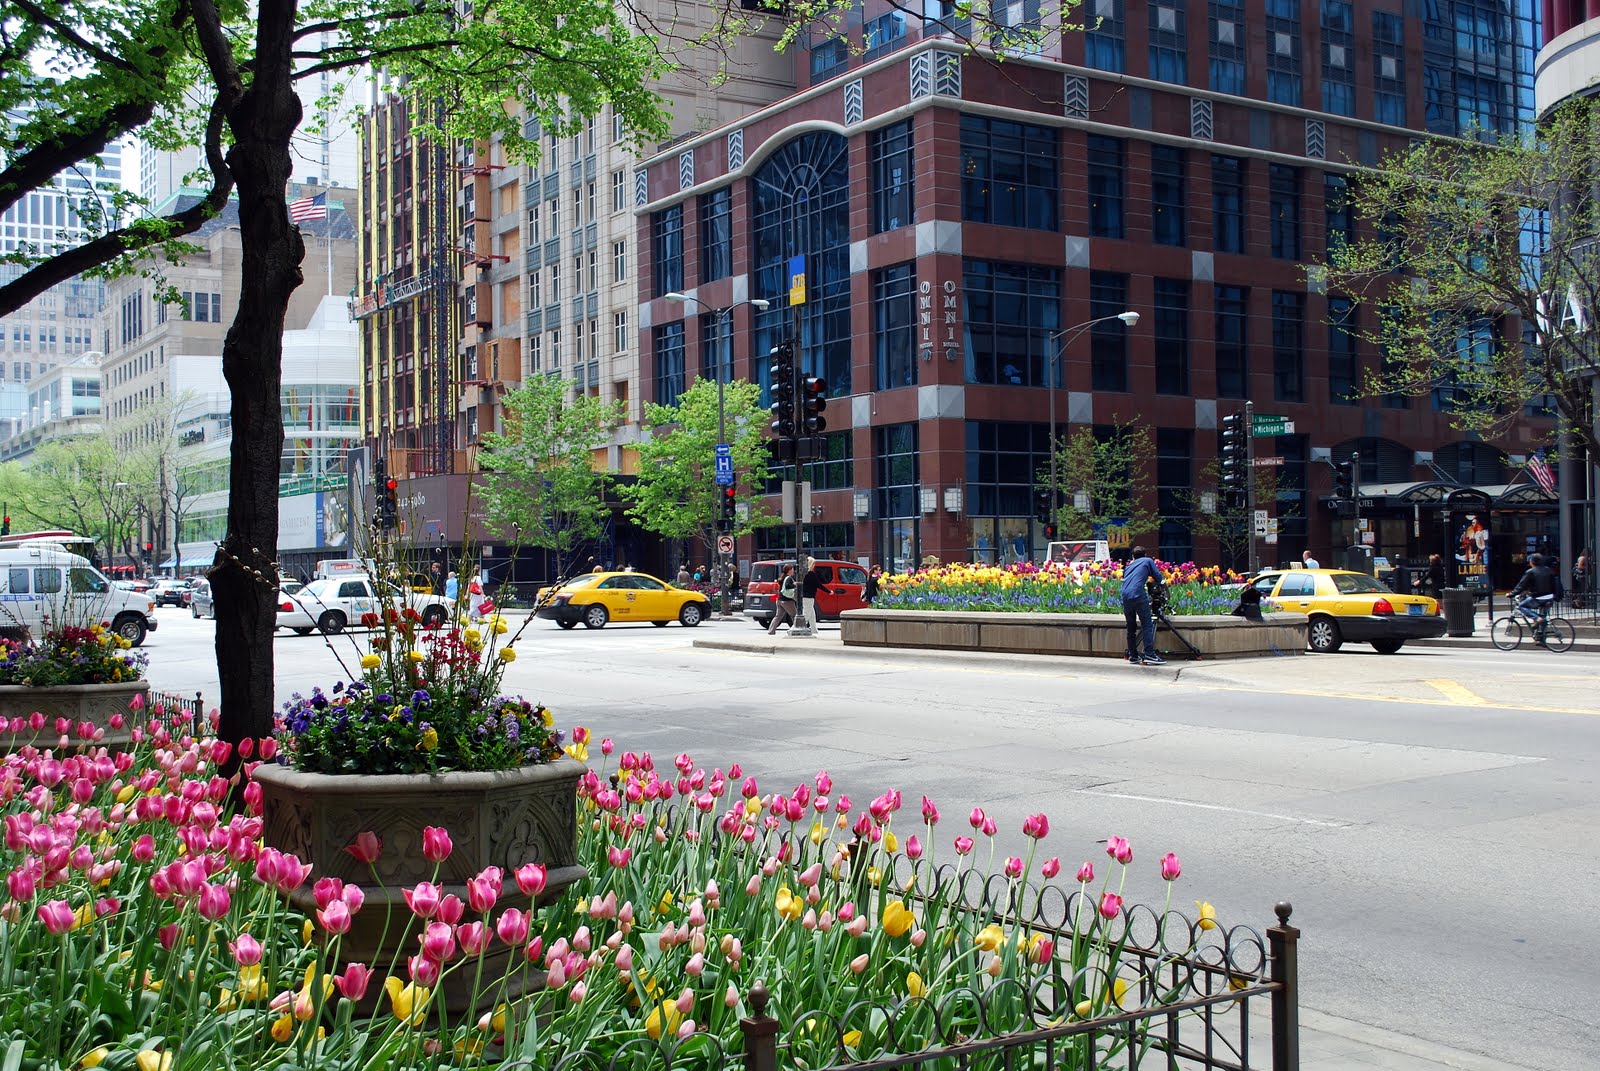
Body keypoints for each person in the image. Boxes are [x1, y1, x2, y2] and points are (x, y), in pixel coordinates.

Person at [1121, 546, 1164, 666]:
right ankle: (1149, 654)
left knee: (1131, 627)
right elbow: (1158, 577)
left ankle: (1133, 656)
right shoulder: (1147, 561)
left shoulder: (1129, 566)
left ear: (1133, 557)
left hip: (1125, 595)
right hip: (1138, 594)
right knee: (1147, 624)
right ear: (1145, 555)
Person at [1510, 553, 1560, 641]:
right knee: (1543, 618)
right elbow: (1554, 584)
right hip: (1549, 597)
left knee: (1521, 606)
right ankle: (1541, 638)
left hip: (1538, 597)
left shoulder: (1530, 572)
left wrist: (1512, 593)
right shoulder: (1549, 570)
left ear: (1532, 562)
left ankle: (1537, 618)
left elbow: (1521, 585)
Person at [767, 565, 797, 635]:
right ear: (789, 570)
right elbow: (787, 586)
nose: (793, 571)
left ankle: (771, 631)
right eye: (792, 569)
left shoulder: (782, 577)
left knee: (778, 616)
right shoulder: (789, 578)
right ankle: (796, 629)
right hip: (787, 601)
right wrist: (794, 585)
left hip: (779, 600)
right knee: (795, 616)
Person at [800, 556, 822, 629]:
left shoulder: (803, 573)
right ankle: (800, 627)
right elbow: (819, 584)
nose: (814, 565)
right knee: (806, 614)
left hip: (804, 596)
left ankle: (814, 629)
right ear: (811, 564)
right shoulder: (811, 574)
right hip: (809, 597)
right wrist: (829, 591)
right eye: (814, 564)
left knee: (812, 615)